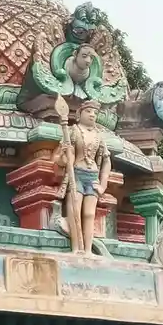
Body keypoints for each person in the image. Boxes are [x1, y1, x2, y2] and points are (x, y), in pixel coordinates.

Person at [56, 99, 112, 253]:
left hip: (92, 176)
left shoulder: (99, 135)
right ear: (79, 114)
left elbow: (107, 162)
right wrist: (63, 153)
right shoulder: (74, 131)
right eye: (88, 111)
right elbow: (63, 160)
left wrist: (103, 185)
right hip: (77, 174)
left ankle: (87, 250)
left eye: (95, 112)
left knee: (89, 214)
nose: (92, 115)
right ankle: (76, 248)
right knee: (74, 212)